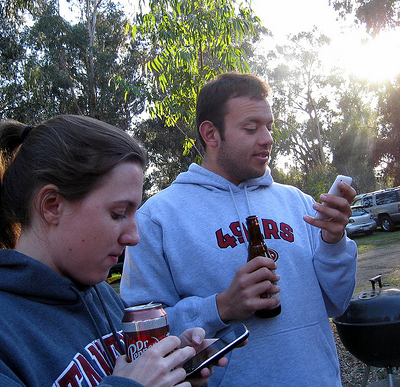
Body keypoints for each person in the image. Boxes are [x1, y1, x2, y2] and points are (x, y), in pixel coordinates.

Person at [0, 115, 224, 386]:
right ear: (52, 206)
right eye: (118, 214)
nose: (133, 237)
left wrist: (169, 370)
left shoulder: (101, 297)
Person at [120, 72, 358, 386]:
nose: (268, 139)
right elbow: (141, 338)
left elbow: (336, 303)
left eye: (269, 126)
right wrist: (221, 307)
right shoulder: (158, 218)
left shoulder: (299, 203)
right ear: (211, 134)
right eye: (251, 128)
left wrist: (333, 241)